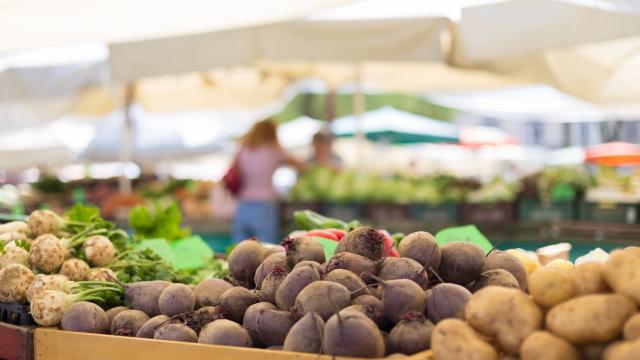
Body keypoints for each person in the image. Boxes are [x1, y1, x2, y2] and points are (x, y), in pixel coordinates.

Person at [232, 119, 305, 243]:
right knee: (267, 249)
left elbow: (234, 171)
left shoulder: (243, 148)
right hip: (265, 205)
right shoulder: (273, 149)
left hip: (243, 205)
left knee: (239, 250)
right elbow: (301, 165)